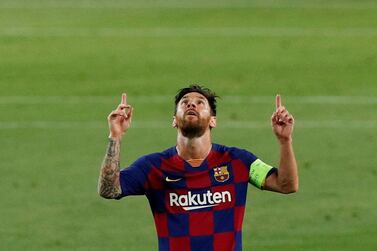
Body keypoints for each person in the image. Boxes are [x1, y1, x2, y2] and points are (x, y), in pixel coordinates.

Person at [98, 85, 298, 251]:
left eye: (200, 102)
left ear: (213, 120)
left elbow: (286, 185)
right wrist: (115, 136)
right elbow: (109, 190)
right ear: (174, 120)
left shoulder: (238, 161)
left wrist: (285, 140)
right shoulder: (153, 167)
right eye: (184, 103)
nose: (191, 104)